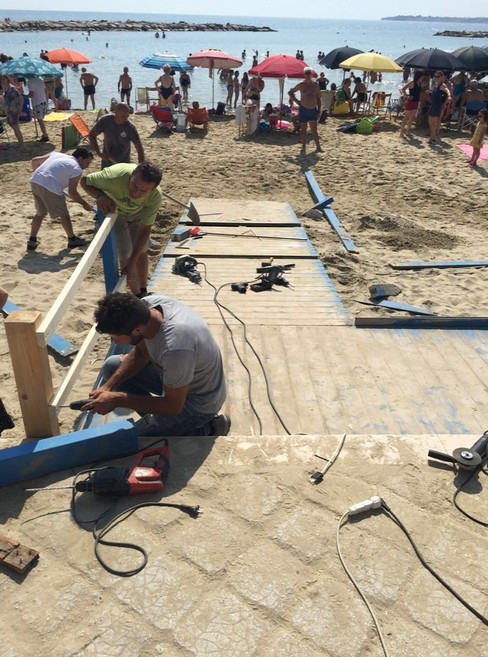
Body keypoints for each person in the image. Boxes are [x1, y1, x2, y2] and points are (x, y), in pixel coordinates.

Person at [83, 292, 230, 438]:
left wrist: (118, 399)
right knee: (112, 366)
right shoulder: (148, 306)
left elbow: (173, 406)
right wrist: (107, 387)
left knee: (135, 439)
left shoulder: (175, 348)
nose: (115, 342)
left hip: (198, 403)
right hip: (176, 380)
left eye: (116, 337)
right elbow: (141, 353)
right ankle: (161, 423)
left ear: (138, 330)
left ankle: (208, 428)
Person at [80, 161, 163, 297]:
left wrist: (133, 262)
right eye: (134, 185)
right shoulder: (113, 177)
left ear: (152, 190)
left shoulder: (155, 197)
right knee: (125, 253)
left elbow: (145, 231)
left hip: (137, 212)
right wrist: (100, 196)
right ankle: (137, 296)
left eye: (143, 191)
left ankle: (143, 292)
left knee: (141, 250)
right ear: (131, 176)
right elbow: (84, 182)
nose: (135, 193)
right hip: (115, 211)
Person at [27, 147, 93, 252]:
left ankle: (32, 240)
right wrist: (84, 204)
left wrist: (40, 176)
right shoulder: (77, 168)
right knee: (64, 214)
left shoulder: (57, 154)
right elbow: (72, 192)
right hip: (50, 185)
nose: (87, 166)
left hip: (35, 181)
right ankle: (72, 240)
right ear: (80, 158)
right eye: (87, 162)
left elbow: (34, 161)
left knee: (40, 213)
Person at [88, 102, 145, 169]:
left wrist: (141, 169)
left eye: (127, 116)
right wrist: (99, 153)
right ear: (116, 113)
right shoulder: (105, 121)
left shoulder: (130, 128)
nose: (126, 119)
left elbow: (140, 150)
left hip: (124, 164)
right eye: (123, 116)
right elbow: (92, 135)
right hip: (107, 162)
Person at [288, 67, 322, 155]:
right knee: (303, 129)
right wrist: (297, 101)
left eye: (309, 73)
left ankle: (318, 147)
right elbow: (290, 92)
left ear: (311, 74)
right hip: (303, 108)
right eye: (306, 73)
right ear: (304, 74)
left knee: (314, 130)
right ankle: (303, 147)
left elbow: (318, 98)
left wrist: (319, 109)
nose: (307, 75)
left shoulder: (315, 85)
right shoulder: (301, 85)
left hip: (313, 109)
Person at [0, 74, 23, 148]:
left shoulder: (12, 88)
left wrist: (20, 109)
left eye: (4, 79)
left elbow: (20, 98)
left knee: (16, 127)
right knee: (14, 127)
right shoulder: (5, 89)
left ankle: (21, 144)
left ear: (7, 79)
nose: (2, 81)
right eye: (1, 79)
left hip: (14, 111)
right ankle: (20, 143)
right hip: (8, 111)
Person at [427, 71, 450, 143]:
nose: (436, 78)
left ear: (442, 77)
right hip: (433, 104)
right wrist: (430, 92)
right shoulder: (436, 84)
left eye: (438, 76)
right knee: (430, 120)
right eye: (435, 76)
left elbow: (447, 91)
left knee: (433, 121)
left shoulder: (442, 85)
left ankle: (432, 138)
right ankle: (433, 137)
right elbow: (434, 93)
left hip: (437, 105)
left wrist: (449, 97)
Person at [399, 69, 423, 138]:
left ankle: (407, 131)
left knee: (412, 117)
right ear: (419, 76)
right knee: (406, 117)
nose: (422, 78)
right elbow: (403, 89)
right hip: (411, 101)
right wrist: (406, 96)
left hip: (416, 101)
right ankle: (401, 132)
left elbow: (419, 93)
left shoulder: (419, 83)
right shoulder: (412, 82)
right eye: (421, 76)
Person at [26, 76, 49, 142]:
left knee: (40, 120)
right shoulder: (40, 80)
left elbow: (31, 94)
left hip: (37, 102)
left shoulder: (30, 82)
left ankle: (45, 135)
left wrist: (25, 96)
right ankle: (44, 134)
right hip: (43, 101)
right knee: (40, 119)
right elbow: (45, 91)